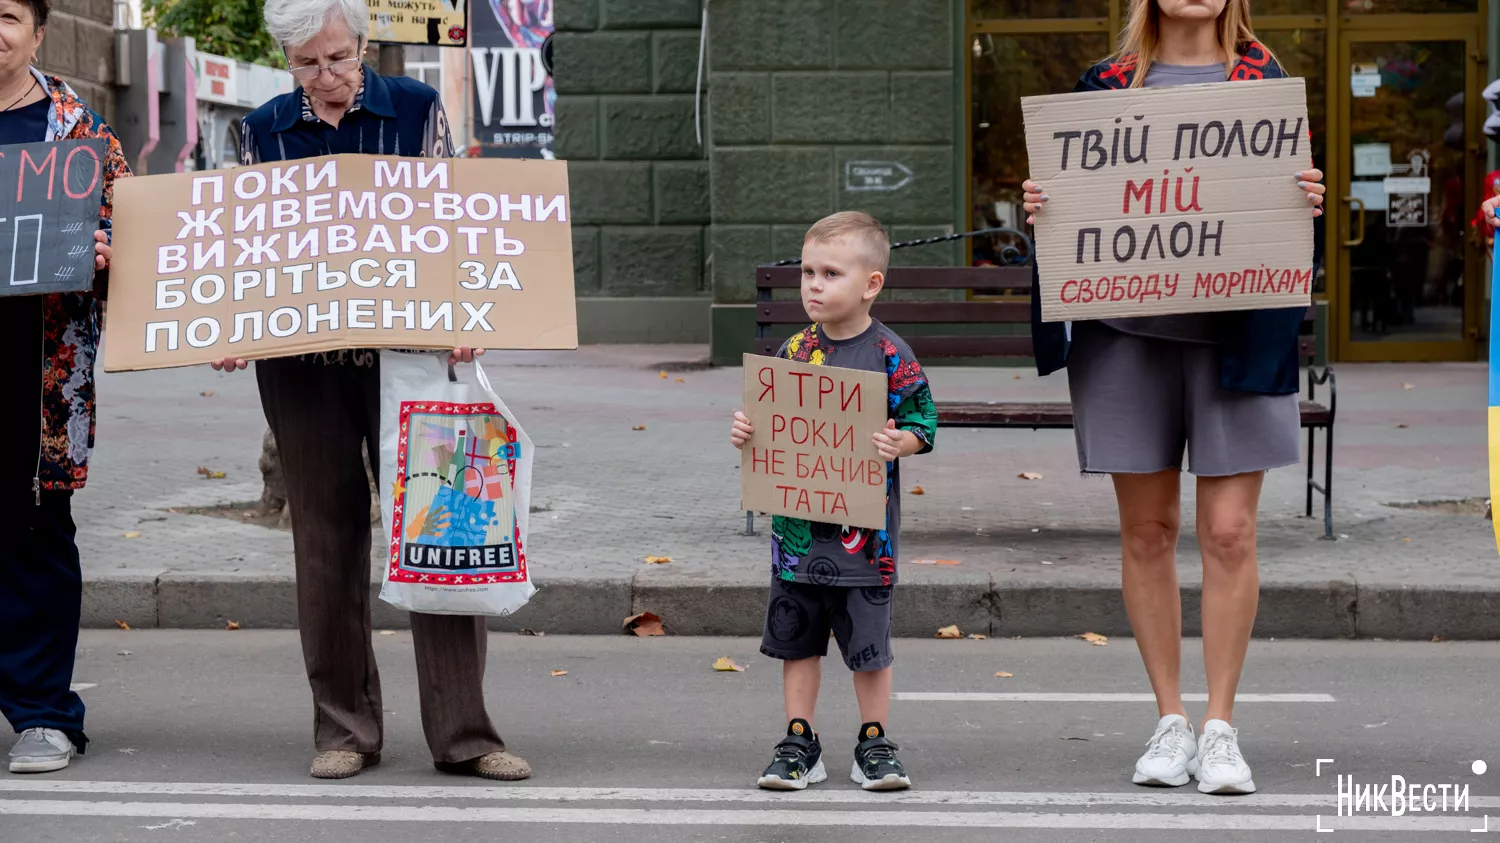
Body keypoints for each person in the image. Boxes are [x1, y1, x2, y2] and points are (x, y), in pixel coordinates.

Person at [210, 0, 527, 782]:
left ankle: (465, 734)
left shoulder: (416, 110)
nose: (328, 78)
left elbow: (453, 220)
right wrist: (220, 321)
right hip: (302, 366)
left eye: (340, 58)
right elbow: (234, 245)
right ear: (287, 59)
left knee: (443, 529)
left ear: (363, 48)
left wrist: (468, 313)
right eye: (309, 63)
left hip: (411, 357)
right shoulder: (260, 131)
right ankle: (346, 728)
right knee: (324, 539)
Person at [1021, 0, 1325, 796]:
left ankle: (1220, 726)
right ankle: (1170, 719)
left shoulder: (1268, 85)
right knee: (1147, 530)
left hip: (1240, 336)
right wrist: (1043, 207)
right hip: (1123, 334)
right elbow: (1071, 201)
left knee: (1230, 532)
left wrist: (1307, 201)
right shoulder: (1103, 88)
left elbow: (1285, 215)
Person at [730, 212, 937, 792]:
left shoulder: (890, 355)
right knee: (798, 638)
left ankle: (874, 740)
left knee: (869, 643)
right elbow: (771, 426)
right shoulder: (795, 351)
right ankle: (800, 740)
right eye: (807, 272)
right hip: (797, 537)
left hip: (866, 540)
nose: (813, 285)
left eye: (830, 273)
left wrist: (904, 441)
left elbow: (925, 418)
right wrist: (749, 432)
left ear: (871, 284)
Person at [0, 0, 129, 774]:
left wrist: (111, 248)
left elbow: (131, 227)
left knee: (35, 531)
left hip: (40, 369)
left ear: (38, 32)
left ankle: (44, 713)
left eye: (8, 14)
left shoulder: (80, 134)